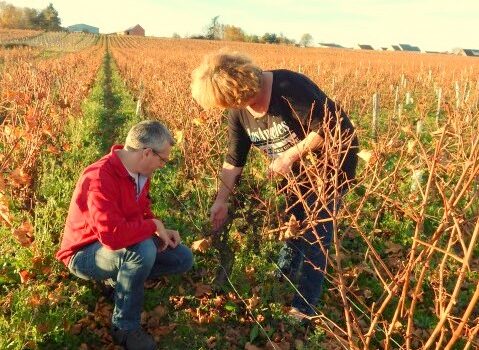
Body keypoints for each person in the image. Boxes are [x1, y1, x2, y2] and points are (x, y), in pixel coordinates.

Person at [191, 51, 358, 320]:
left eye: (232, 102)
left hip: (332, 164)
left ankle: (304, 308)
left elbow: (330, 127)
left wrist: (290, 156)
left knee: (318, 231)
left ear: (243, 87)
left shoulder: (288, 87)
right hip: (294, 170)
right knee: (294, 219)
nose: (234, 108)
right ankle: (284, 274)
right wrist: (221, 200)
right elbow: (234, 159)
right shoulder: (238, 111)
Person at [56, 120, 194, 350]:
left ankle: (121, 281)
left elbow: (141, 212)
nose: (163, 165)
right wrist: (152, 226)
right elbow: (111, 237)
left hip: (115, 246)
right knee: (143, 250)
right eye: (163, 160)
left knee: (182, 258)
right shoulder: (100, 177)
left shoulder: (140, 173)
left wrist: (161, 230)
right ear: (147, 153)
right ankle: (124, 327)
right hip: (84, 253)